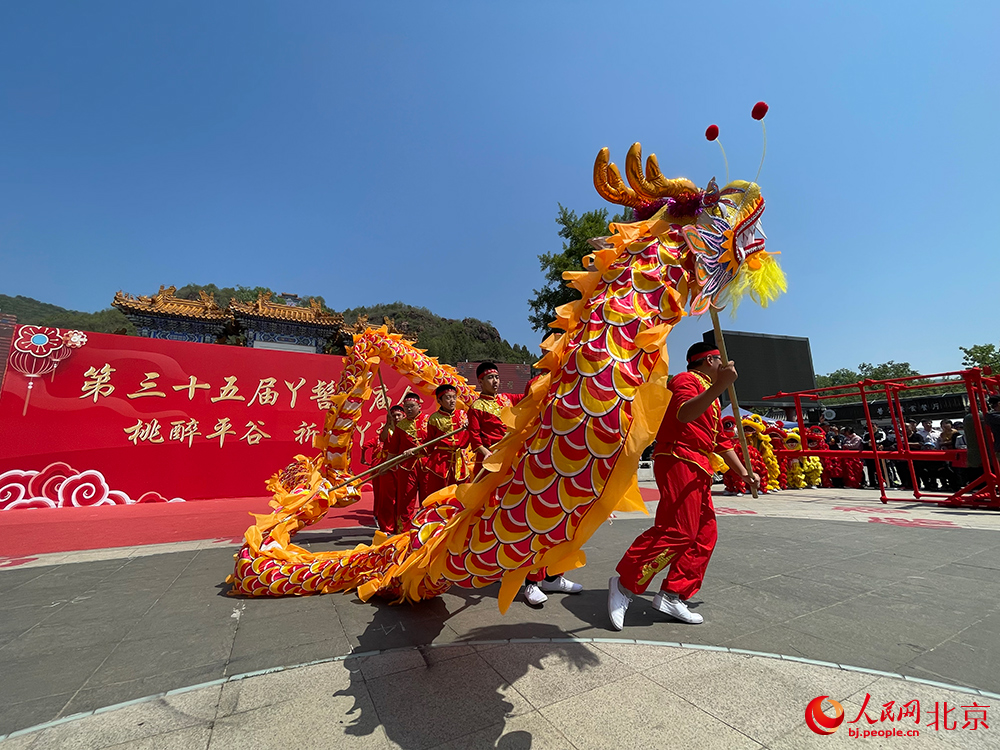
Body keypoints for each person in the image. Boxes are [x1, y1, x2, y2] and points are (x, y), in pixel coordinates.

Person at [608, 342, 759, 629]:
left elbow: (720, 442)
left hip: (699, 465)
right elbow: (683, 414)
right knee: (679, 530)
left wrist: (743, 473)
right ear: (710, 361)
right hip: (678, 456)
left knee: (705, 533)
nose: (726, 366)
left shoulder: (711, 397)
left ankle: (673, 593)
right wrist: (721, 387)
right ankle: (625, 583)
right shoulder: (685, 380)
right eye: (721, 361)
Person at [386, 392, 428, 533]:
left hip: (426, 465)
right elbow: (393, 450)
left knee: (427, 498)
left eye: (412, 406)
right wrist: (386, 466)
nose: (409, 409)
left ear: (419, 406)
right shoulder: (401, 426)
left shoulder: (429, 421)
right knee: (405, 500)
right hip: (407, 466)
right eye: (406, 407)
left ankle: (426, 528)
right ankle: (404, 532)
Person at [421, 384, 470, 497]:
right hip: (440, 461)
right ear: (439, 400)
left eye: (454, 397)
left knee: (460, 493)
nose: (452, 401)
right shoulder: (434, 418)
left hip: (459, 459)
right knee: (438, 493)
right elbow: (430, 442)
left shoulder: (463, 415)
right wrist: (416, 452)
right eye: (448, 397)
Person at [368, 404, 405, 532]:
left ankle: (401, 526)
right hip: (388, 465)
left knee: (402, 498)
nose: (396, 418)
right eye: (393, 416)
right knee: (387, 498)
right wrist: (388, 424)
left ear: (403, 415)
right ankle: (387, 526)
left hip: (403, 465)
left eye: (398, 415)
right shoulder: (388, 430)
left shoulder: (407, 428)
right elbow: (382, 438)